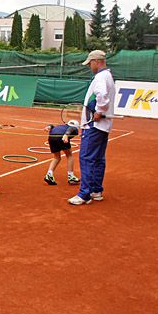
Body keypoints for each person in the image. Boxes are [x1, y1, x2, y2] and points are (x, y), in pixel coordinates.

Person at [69, 50, 116, 205]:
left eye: (90, 63)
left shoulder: (101, 77)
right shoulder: (108, 76)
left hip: (94, 126)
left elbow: (101, 96)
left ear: (96, 61)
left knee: (87, 158)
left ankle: (85, 194)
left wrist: (99, 111)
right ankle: (96, 190)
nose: (89, 66)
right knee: (98, 159)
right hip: (102, 126)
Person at [44, 120, 80, 185]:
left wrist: (48, 126)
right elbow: (72, 128)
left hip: (51, 137)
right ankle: (71, 176)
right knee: (69, 156)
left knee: (56, 157)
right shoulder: (74, 129)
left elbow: (52, 126)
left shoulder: (61, 126)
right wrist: (66, 134)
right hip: (62, 137)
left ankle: (49, 174)